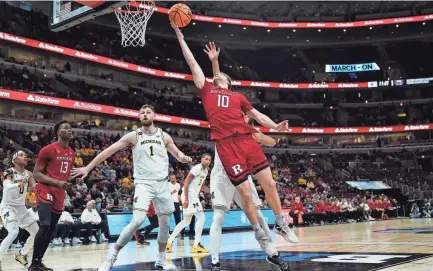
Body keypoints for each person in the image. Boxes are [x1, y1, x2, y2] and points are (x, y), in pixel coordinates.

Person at [172, 23, 295, 269]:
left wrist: (276, 128)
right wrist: (179, 36)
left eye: (219, 75)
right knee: (243, 200)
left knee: (268, 185)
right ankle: (257, 242)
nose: (215, 74)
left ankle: (280, 223)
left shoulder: (237, 98)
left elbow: (259, 116)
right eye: (215, 74)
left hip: (246, 141)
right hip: (226, 149)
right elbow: (193, 64)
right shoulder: (207, 90)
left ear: (227, 82)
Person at [71, 104, 192, 271]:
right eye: (142, 112)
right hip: (143, 183)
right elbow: (108, 151)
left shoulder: (164, 136)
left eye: (148, 112)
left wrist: (183, 157)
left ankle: (161, 259)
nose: (144, 114)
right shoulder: (134, 136)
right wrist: (87, 167)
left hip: (162, 183)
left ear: (154, 115)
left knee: (164, 224)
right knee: (137, 220)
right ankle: (111, 258)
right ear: (139, 117)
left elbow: (177, 154)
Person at [209, 115, 279, 271]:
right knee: (218, 216)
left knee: (258, 214)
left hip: (242, 174)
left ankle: (273, 252)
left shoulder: (250, 132)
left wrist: (271, 132)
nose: (243, 115)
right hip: (222, 174)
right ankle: (214, 260)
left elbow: (272, 142)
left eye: (246, 114)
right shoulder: (222, 121)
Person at [29, 120, 76, 271]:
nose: (69, 130)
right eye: (65, 128)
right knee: (44, 224)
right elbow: (36, 174)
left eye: (70, 128)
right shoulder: (48, 150)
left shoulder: (72, 153)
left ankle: (39, 261)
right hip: (45, 189)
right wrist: (56, 182)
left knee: (51, 230)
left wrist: (73, 179)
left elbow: (63, 175)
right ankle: (33, 264)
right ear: (58, 133)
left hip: (59, 192)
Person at [166, 153, 212, 253]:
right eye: (206, 159)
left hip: (192, 196)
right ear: (201, 159)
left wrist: (211, 190)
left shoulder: (206, 171)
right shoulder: (197, 168)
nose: (208, 161)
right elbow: (186, 183)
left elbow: (200, 186)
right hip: (189, 196)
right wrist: (186, 198)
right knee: (202, 217)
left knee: (186, 221)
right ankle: (196, 245)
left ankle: (169, 242)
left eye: (209, 160)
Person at [0, 151, 39, 269]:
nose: (25, 157)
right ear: (14, 160)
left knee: (37, 234)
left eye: (25, 156)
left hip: (22, 208)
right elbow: (7, 186)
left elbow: (35, 188)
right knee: (13, 232)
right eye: (21, 155)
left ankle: (21, 254)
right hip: (8, 207)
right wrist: (19, 184)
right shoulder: (9, 172)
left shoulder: (29, 174)